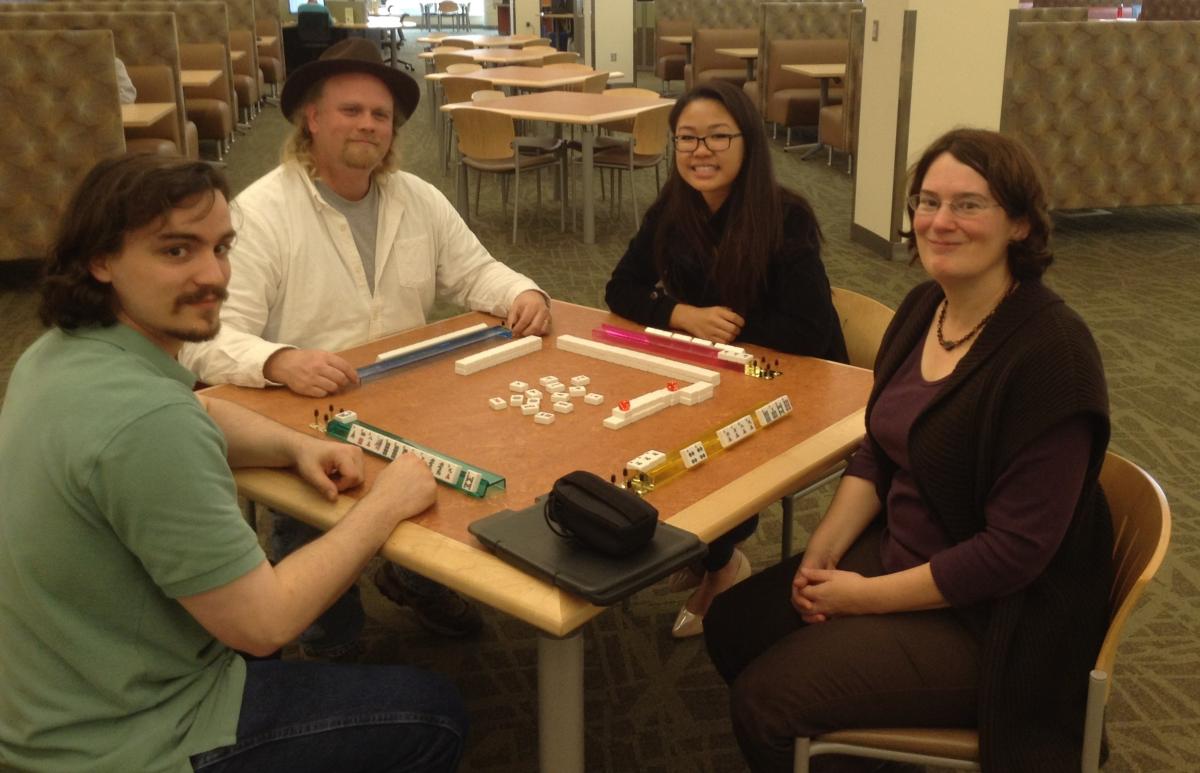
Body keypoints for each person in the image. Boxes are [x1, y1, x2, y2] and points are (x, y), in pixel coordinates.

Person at [0, 153, 466, 773]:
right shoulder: (146, 426)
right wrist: (385, 505)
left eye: (221, 248)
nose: (213, 275)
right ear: (101, 259)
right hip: (122, 738)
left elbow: (191, 412)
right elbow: (264, 623)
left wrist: (294, 444)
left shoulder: (58, 353)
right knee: (436, 711)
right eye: (176, 251)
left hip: (46, 694)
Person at [703, 128, 1113, 772]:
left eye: (969, 205)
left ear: (1022, 227)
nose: (940, 222)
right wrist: (824, 550)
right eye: (927, 201)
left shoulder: (1050, 356)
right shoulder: (927, 307)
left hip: (999, 619)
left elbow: (1012, 555)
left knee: (766, 705)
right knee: (734, 625)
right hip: (912, 550)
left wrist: (859, 597)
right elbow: (880, 450)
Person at [179, 38, 551, 653]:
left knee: (458, 480)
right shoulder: (261, 212)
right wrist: (279, 359)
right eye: (351, 110)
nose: (369, 125)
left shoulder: (419, 198)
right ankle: (328, 639)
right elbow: (206, 339)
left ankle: (414, 578)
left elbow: (477, 272)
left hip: (413, 398)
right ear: (313, 119)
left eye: (380, 115)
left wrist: (524, 291)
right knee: (314, 531)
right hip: (304, 416)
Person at [604, 80, 847, 639]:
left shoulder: (786, 217)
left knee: (707, 447)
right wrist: (680, 313)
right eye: (687, 138)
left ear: (747, 143)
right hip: (717, 370)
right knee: (646, 430)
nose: (700, 151)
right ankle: (703, 543)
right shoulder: (675, 207)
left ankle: (723, 561)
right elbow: (622, 287)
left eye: (717, 137)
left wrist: (725, 324)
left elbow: (809, 333)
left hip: (798, 382)